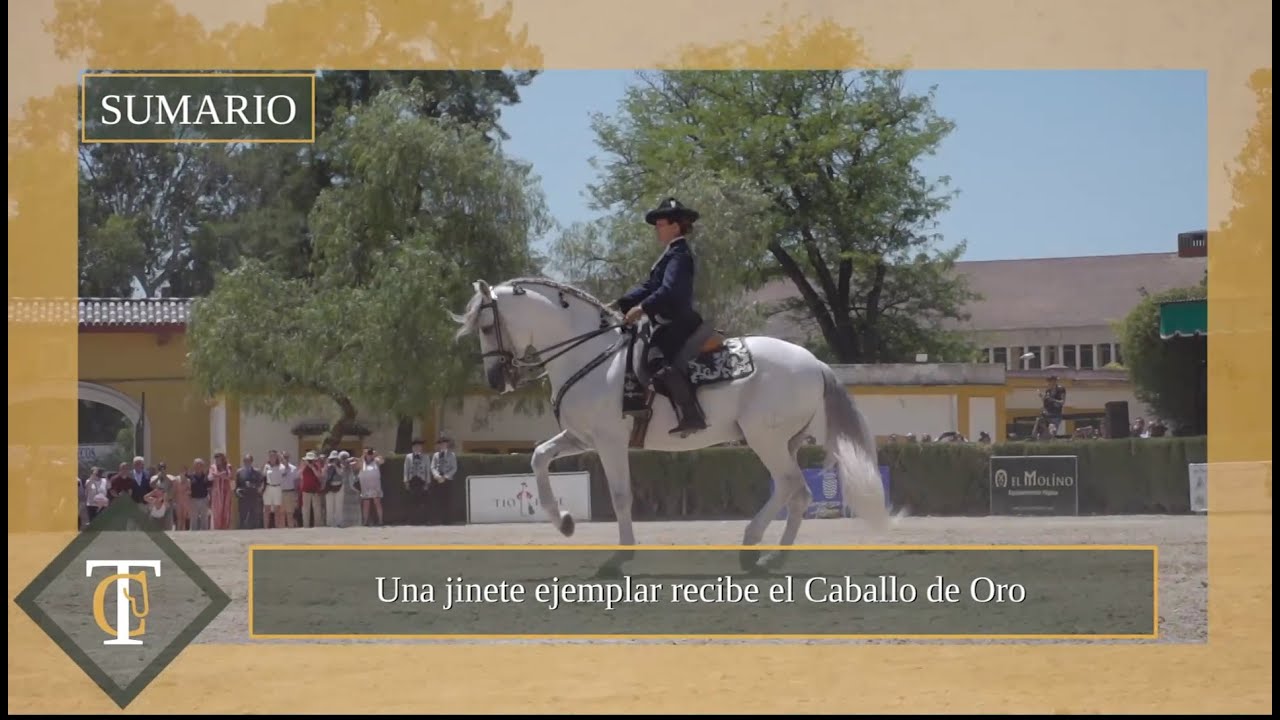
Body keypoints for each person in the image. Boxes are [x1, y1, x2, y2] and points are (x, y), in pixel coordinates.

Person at [613, 197, 708, 436]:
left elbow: (668, 291)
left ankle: (691, 415)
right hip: (667, 321)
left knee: (657, 360)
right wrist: (621, 303)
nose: (657, 228)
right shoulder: (670, 254)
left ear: (675, 226)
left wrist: (642, 308)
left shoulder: (680, 254)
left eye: (661, 223)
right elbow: (649, 286)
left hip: (678, 320)